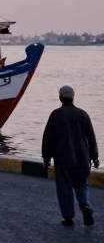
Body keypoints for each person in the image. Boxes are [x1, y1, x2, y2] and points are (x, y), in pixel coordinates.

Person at [42, 85, 99, 226]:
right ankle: (85, 205)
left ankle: (68, 217)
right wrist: (95, 156)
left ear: (60, 98)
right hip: (83, 158)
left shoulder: (56, 115)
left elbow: (48, 138)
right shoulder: (83, 114)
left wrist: (46, 157)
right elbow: (91, 137)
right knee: (82, 184)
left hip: (63, 158)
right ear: (73, 98)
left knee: (64, 187)